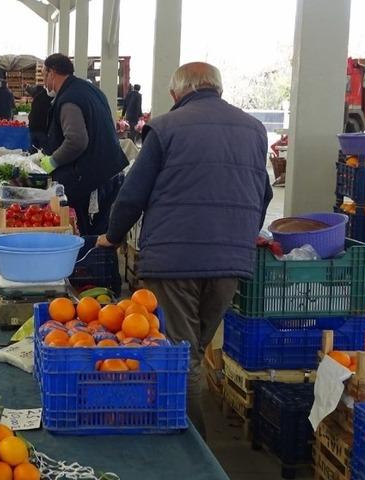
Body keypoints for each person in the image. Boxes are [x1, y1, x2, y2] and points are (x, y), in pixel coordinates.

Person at [96, 62, 272, 438]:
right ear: (217, 88)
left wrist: (112, 236)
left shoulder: (166, 127)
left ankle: (192, 448)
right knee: (193, 351)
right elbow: (264, 193)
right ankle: (185, 434)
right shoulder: (255, 129)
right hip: (229, 264)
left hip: (174, 261)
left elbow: (133, 192)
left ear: (178, 93)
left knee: (180, 356)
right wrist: (239, 238)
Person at [39, 53, 127, 235]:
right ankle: (100, 261)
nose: (44, 82)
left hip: (90, 180)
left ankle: (88, 262)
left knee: (88, 235)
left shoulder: (69, 99)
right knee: (104, 235)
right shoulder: (90, 90)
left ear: (52, 73)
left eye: (43, 75)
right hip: (109, 172)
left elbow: (76, 141)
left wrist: (52, 161)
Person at [25, 83, 50, 153]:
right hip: (42, 129)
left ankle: (31, 162)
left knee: (33, 150)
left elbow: (31, 115)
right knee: (44, 152)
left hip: (33, 128)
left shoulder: (36, 98)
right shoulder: (48, 98)